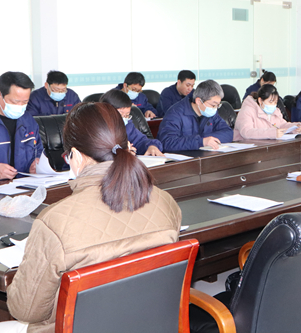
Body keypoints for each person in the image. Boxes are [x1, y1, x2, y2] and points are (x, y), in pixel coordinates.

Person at [4, 102, 181, 333]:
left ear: (76, 156)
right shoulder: (165, 202)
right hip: (148, 324)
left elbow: (25, 311)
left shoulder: (54, 222)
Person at [157, 79, 233, 151]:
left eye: (218, 105)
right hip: (182, 158)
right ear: (199, 101)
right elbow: (167, 142)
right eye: (213, 105)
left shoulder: (210, 113)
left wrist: (206, 140)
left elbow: (228, 133)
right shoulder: (175, 113)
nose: (215, 109)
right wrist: (200, 141)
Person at [0, 72, 43, 180]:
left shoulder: (28, 121)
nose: (20, 106)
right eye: (15, 102)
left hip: (24, 184)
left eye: (25, 102)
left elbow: (38, 149)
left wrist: (37, 163)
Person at [100, 89, 164, 156]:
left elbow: (140, 141)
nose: (123, 119)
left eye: (127, 115)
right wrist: (122, 153)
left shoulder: (127, 126)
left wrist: (152, 146)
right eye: (120, 114)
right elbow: (98, 153)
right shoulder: (96, 128)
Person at [234, 84, 301, 140]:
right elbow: (247, 132)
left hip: (267, 146)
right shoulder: (247, 110)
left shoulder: (275, 111)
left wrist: (294, 127)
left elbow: (281, 125)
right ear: (260, 100)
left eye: (275, 102)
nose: (273, 105)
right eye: (270, 102)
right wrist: (272, 133)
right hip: (246, 147)